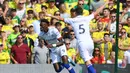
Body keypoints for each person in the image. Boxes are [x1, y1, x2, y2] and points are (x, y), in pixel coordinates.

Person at [46, 1, 109, 73]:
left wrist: (50, 15)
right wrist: (105, 4)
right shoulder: (87, 18)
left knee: (87, 63)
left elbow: (60, 18)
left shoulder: (73, 20)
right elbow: (97, 11)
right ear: (82, 13)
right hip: (90, 42)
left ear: (75, 13)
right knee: (89, 62)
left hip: (82, 43)